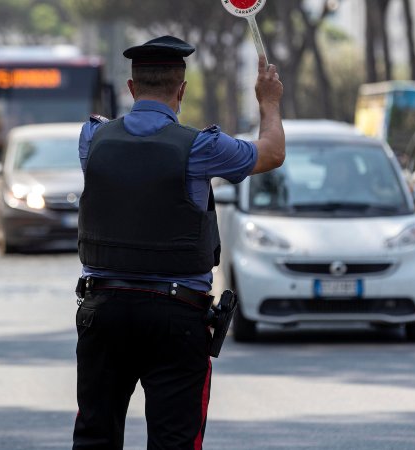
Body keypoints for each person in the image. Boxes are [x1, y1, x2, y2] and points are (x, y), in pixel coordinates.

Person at [73, 35, 284, 449]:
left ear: (132, 88)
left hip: (104, 311)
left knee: (95, 437)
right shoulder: (201, 148)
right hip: (176, 316)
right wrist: (269, 102)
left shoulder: (91, 139)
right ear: (181, 90)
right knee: (175, 441)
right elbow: (272, 152)